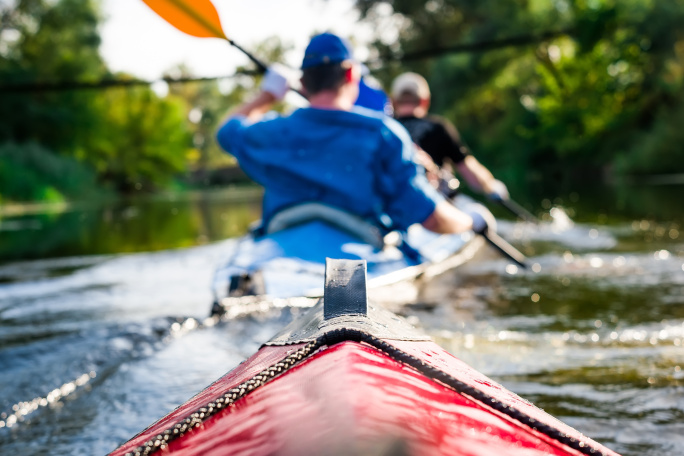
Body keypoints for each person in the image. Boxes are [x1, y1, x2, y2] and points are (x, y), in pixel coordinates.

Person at [216, 32, 486, 237]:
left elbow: (227, 131)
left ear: (303, 83)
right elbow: (431, 219)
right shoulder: (384, 134)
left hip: (283, 242)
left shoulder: (272, 131)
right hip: (361, 247)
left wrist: (267, 96)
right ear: (350, 74)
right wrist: (471, 221)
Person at [391, 72, 509, 202]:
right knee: (481, 219)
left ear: (395, 101)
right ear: (425, 101)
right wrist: (491, 186)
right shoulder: (438, 127)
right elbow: (471, 174)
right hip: (436, 206)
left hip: (393, 209)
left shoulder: (384, 131)